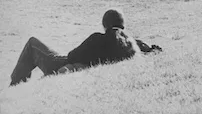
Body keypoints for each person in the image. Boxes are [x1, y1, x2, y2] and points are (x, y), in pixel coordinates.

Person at [9, 9, 161, 86]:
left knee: (32, 43)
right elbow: (150, 50)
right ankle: (19, 82)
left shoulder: (97, 38)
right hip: (86, 64)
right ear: (123, 25)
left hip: (64, 64)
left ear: (105, 25)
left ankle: (15, 83)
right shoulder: (132, 42)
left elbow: (72, 55)